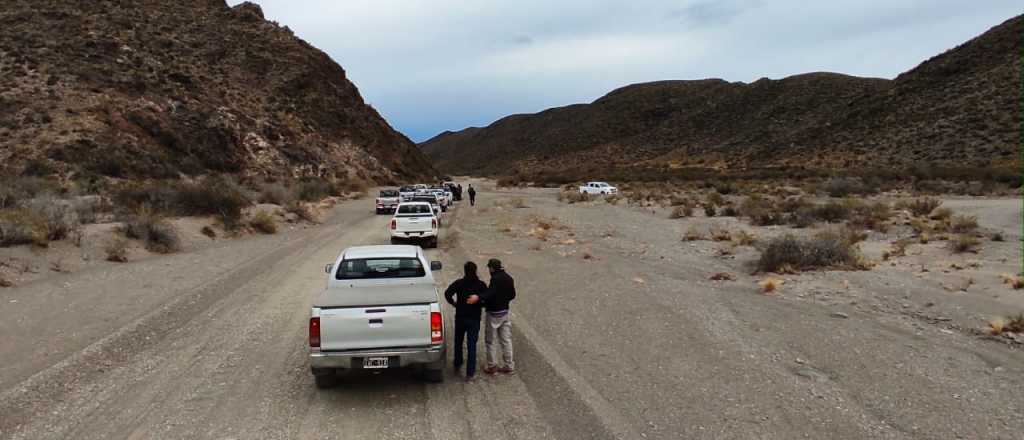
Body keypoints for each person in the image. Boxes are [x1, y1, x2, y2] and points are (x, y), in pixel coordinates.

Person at [444, 262, 487, 381]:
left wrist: (454, 303)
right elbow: (486, 299)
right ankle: (470, 373)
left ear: (465, 271)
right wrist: (480, 303)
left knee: (458, 341)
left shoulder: (459, 283)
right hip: (474, 318)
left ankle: (457, 362)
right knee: (471, 345)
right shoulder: (481, 285)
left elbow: (447, 293)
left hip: (461, 317)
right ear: (476, 270)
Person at [481, 258, 516, 375]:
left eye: (489, 268)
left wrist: (480, 298)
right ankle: (509, 365)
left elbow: (489, 295)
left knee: (490, 340)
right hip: (505, 312)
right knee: (506, 340)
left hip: (493, 314)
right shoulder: (509, 278)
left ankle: (492, 366)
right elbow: (512, 295)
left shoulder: (495, 279)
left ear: (491, 268)